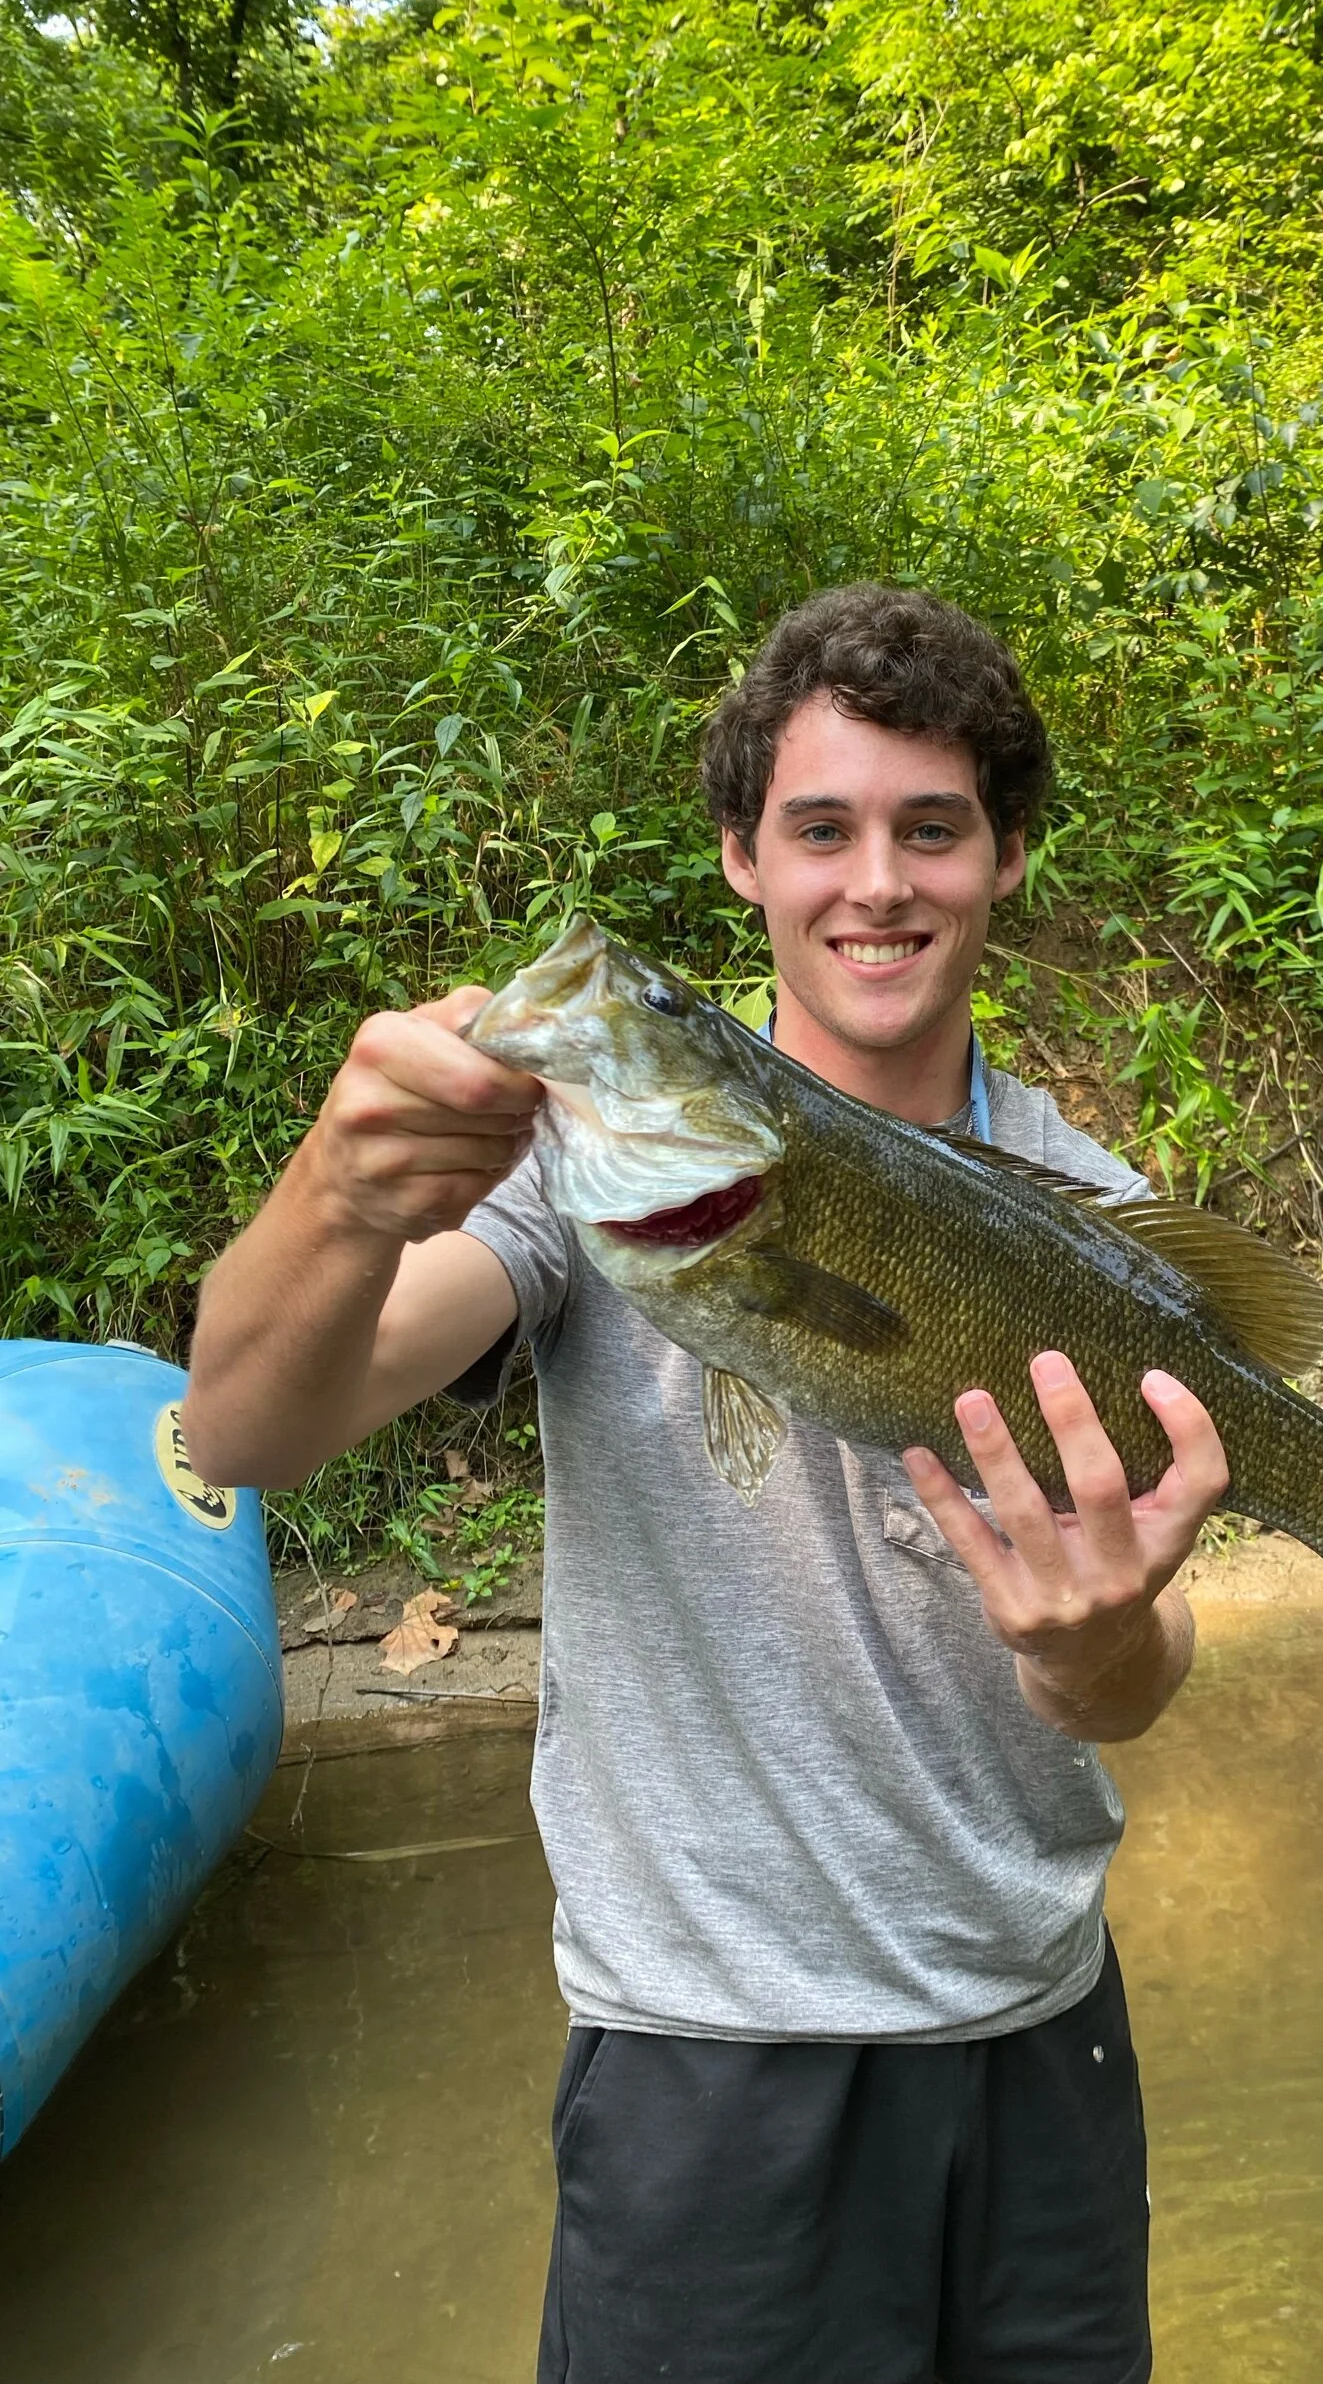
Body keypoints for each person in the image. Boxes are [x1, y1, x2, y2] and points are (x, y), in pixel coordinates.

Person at [182, 581, 1230, 2384]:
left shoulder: (1094, 1219)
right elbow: (247, 1432)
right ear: (745, 859)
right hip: (708, 2063)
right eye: (819, 829)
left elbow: (1134, 1685)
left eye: (932, 828)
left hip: (1042, 2035)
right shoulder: (595, 1170)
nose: (876, 883)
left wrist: (1093, 1650)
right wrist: (341, 1197)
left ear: (1000, 860)